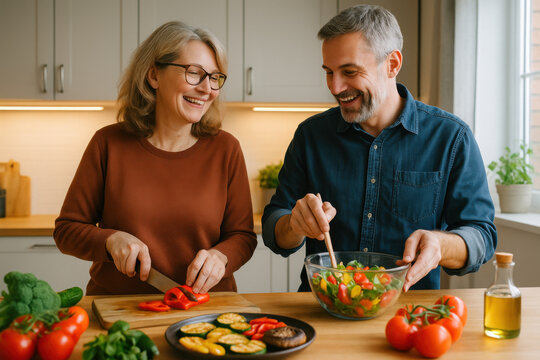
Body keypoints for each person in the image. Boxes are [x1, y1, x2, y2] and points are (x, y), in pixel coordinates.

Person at [262, 5, 497, 292]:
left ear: (392, 64)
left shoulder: (451, 137)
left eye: (349, 71)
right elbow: (274, 227)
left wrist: (442, 244)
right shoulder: (310, 136)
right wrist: (293, 226)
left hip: (408, 316)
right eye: (329, 72)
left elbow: (482, 235)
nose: (335, 87)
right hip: (322, 311)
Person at [54, 21, 257, 295]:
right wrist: (110, 240)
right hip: (120, 310)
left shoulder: (226, 149)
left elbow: (242, 236)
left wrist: (221, 256)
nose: (207, 88)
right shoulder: (107, 144)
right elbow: (67, 231)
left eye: (215, 77)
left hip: (206, 312)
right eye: (194, 73)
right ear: (153, 76)